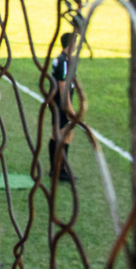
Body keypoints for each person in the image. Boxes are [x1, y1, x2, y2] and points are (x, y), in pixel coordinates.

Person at [50, 32, 76, 182]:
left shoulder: (60, 59)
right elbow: (63, 87)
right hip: (62, 103)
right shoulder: (64, 61)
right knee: (66, 135)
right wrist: (69, 109)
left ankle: (55, 169)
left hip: (55, 102)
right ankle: (60, 170)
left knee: (56, 134)